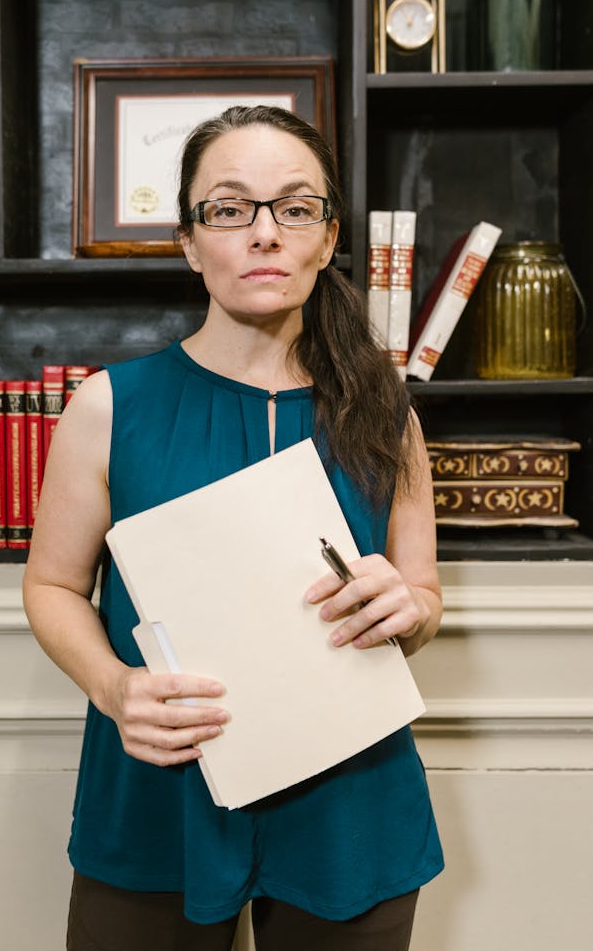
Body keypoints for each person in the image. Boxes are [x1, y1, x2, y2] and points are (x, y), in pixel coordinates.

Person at [23, 104, 444, 951]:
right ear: (189, 241)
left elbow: (424, 598)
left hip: (350, 796)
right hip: (158, 787)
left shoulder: (388, 413)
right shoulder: (109, 405)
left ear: (327, 240)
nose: (264, 234)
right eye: (229, 208)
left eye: (294, 208)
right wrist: (113, 689)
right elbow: (53, 585)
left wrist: (408, 609)